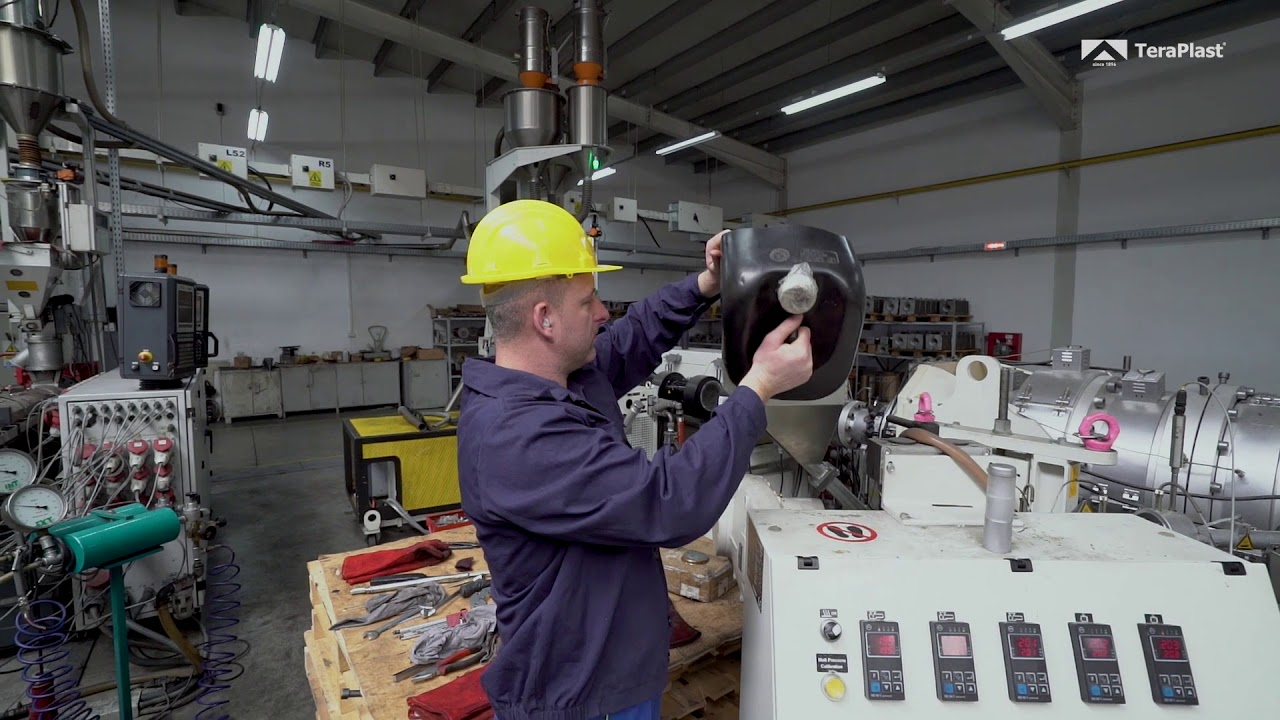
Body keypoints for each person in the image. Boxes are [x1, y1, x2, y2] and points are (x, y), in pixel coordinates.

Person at [456, 199, 813, 720]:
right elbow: (668, 503)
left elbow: (633, 336)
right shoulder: (517, 437)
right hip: (579, 694)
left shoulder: (564, 375)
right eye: (588, 301)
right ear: (545, 319)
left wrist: (705, 285)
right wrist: (757, 389)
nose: (603, 313)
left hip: (615, 669)